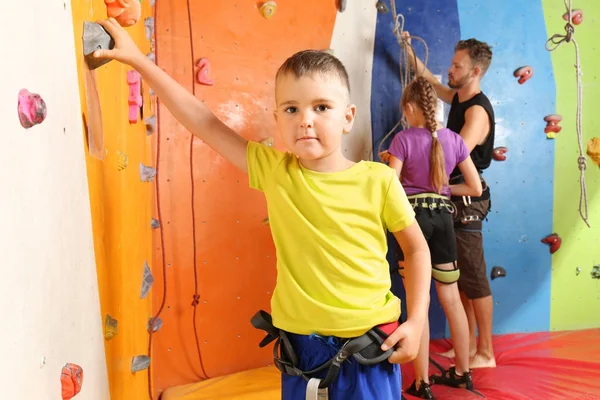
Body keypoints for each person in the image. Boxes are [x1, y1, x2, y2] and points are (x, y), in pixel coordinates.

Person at [92, 18, 433, 400]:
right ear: (277, 119)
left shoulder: (378, 180)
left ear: (348, 117)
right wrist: (139, 60)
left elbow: (417, 249)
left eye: (321, 107)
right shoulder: (276, 171)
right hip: (302, 350)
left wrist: (417, 320)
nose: (305, 119)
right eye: (291, 109)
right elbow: (204, 121)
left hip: (370, 344)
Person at [400, 31, 497, 369]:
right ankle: (465, 346)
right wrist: (409, 49)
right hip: (446, 197)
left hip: (464, 198)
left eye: (457, 65)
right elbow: (426, 79)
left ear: (476, 72)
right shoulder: (457, 99)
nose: (450, 69)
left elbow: (454, 158)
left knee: (473, 276)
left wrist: (409, 158)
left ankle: (485, 351)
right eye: (452, 63)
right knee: (458, 282)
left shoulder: (477, 113)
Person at [386, 77, 482, 398]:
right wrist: (440, 189)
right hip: (443, 218)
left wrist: (390, 163)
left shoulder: (402, 140)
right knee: (451, 298)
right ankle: (463, 373)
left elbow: (391, 184)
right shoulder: (454, 140)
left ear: (410, 108)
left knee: (418, 303)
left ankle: (422, 381)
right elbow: (475, 188)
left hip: (412, 220)